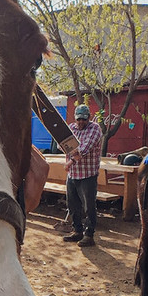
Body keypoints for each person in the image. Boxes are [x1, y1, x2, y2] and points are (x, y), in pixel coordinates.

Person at [61, 104, 103, 247]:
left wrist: (70, 161)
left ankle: (89, 234)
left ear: (89, 118)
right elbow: (64, 145)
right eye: (79, 119)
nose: (81, 122)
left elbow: (82, 151)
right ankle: (77, 230)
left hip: (88, 175)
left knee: (89, 206)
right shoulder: (71, 128)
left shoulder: (95, 129)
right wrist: (72, 153)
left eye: (84, 119)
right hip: (73, 175)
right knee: (72, 205)